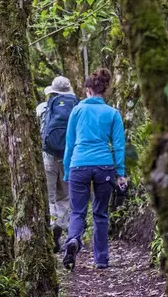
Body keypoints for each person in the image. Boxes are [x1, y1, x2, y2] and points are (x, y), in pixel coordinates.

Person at [62, 68, 126, 270]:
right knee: (100, 213)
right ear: (103, 90)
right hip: (104, 166)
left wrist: (66, 170)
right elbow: (118, 145)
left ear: (88, 89)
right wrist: (121, 173)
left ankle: (73, 240)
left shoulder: (77, 110)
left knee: (77, 211)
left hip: (79, 164)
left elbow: (69, 144)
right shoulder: (112, 113)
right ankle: (101, 260)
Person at [36, 76, 78, 253]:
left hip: (48, 157)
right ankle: (59, 227)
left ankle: (51, 228)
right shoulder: (76, 107)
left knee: (49, 196)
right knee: (65, 197)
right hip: (68, 157)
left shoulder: (42, 108)